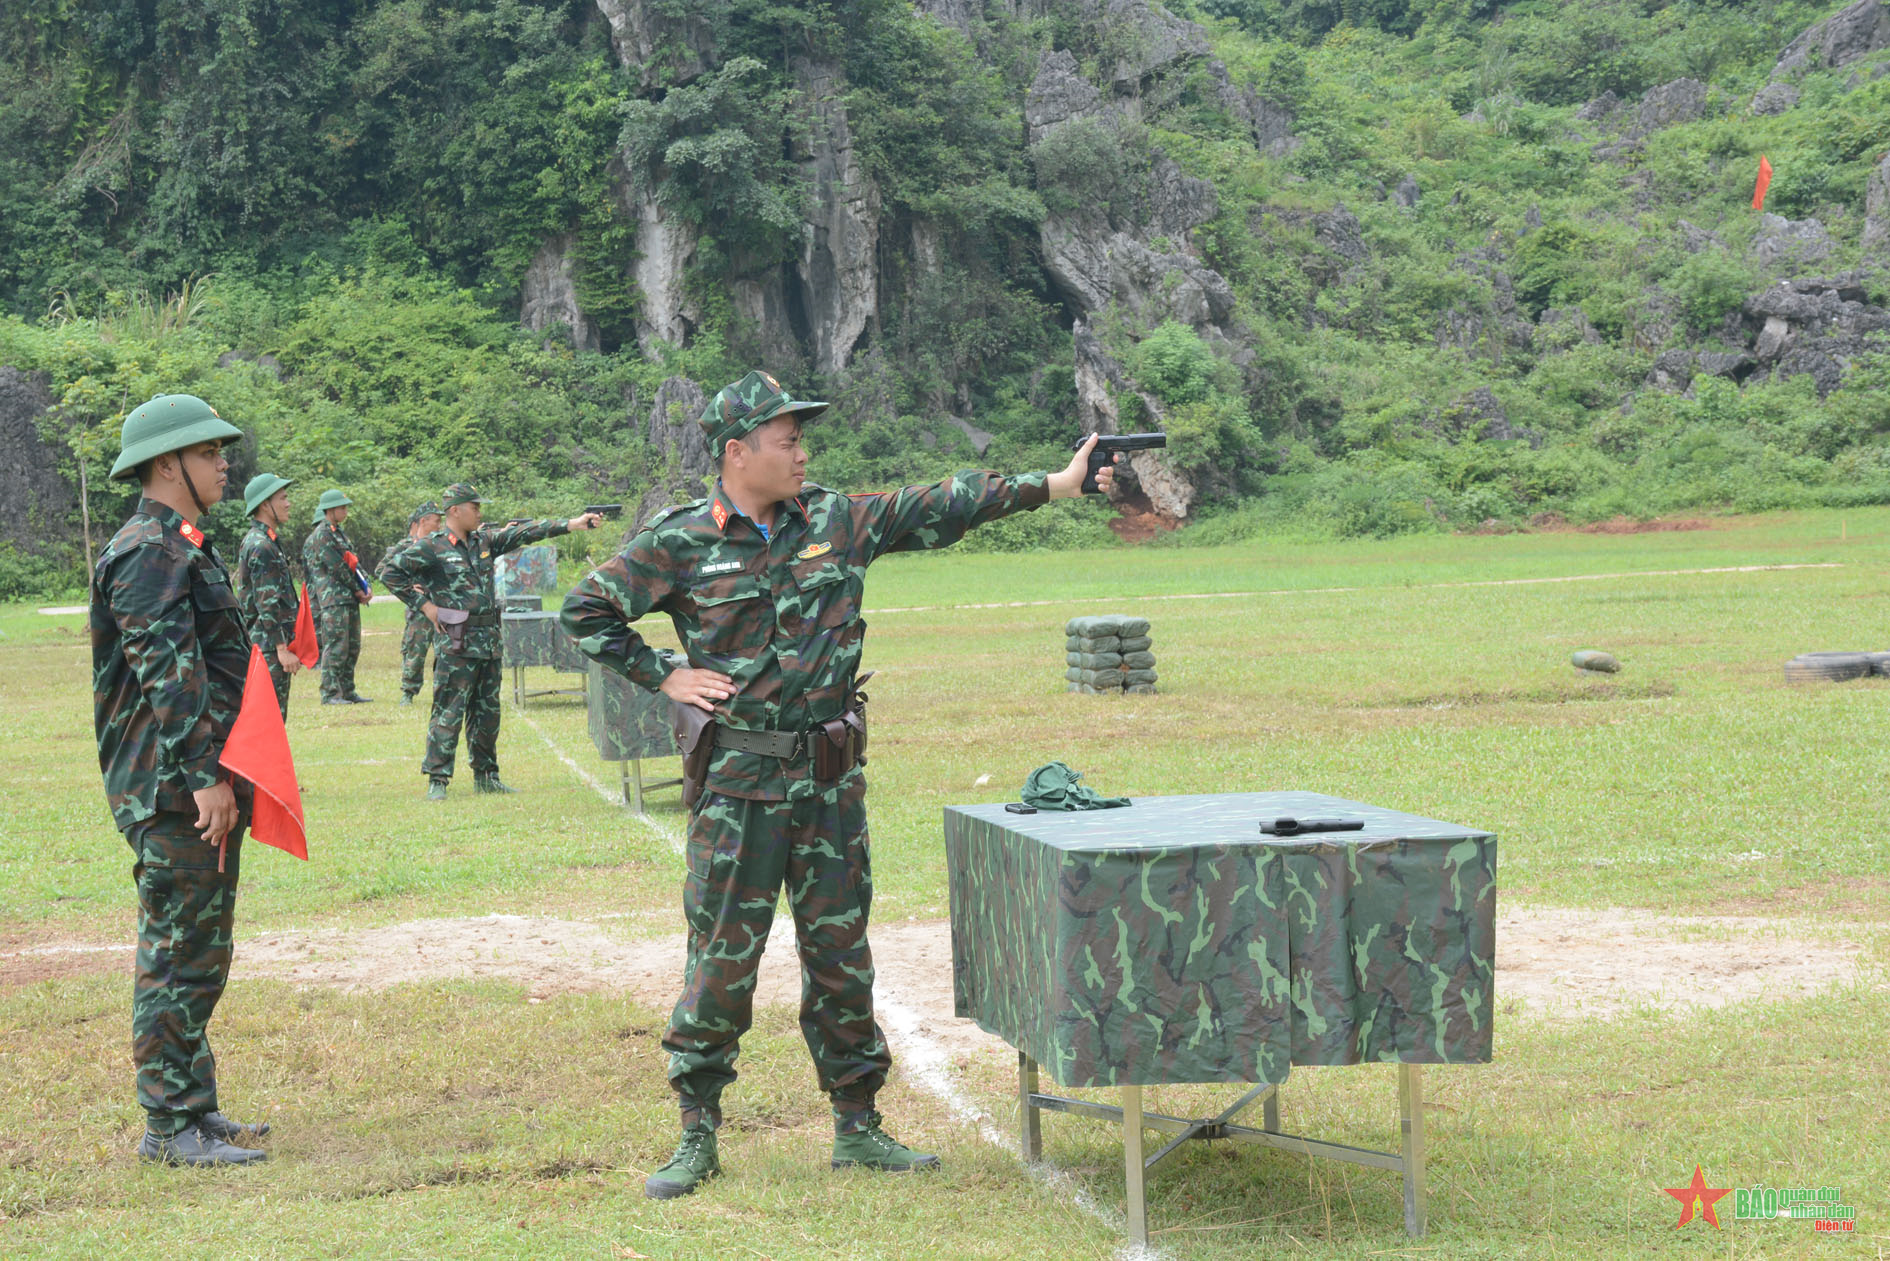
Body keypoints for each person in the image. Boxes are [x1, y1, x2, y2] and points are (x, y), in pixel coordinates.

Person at [559, 369, 1117, 1200]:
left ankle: (858, 1124)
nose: (801, 451)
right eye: (786, 439)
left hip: (828, 788)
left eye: (800, 438)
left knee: (841, 959)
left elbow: (940, 502)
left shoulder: (834, 517)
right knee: (720, 960)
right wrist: (664, 673)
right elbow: (587, 609)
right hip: (740, 791)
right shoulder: (678, 541)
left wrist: (1056, 485)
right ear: (737, 451)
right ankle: (697, 1129)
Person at [91, 393, 271, 1166]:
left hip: (196, 779)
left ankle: (194, 1105)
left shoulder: (183, 542)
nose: (224, 462)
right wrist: (205, 777)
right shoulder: (148, 550)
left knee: (202, 948)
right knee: (176, 951)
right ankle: (168, 1126)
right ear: (168, 465)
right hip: (172, 788)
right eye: (208, 452)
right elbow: (170, 674)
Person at [383, 484, 601, 799]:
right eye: (475, 506)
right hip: (456, 643)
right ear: (455, 510)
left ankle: (486, 776)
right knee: (449, 709)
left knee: (487, 712)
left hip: (488, 642)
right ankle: (438, 779)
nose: (480, 512)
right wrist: (427, 607)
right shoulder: (432, 546)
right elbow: (391, 572)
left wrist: (572, 524)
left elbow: (527, 533)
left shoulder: (484, 540)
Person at [235, 472, 303, 716]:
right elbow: (268, 603)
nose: (288, 503)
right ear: (265, 504)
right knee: (269, 721)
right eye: (282, 498)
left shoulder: (264, 540)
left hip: (266, 646)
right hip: (267, 648)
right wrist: (281, 648)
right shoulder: (261, 545)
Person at [302, 488, 372, 705]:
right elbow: (337, 567)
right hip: (333, 599)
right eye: (342, 507)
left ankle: (347, 690)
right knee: (336, 645)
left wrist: (366, 585)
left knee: (352, 646)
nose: (345, 511)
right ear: (330, 510)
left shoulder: (338, 533)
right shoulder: (321, 535)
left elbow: (352, 562)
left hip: (348, 597)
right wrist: (357, 588)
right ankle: (330, 693)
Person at [376, 501, 442, 707]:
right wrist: (409, 586)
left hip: (442, 605)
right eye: (436, 521)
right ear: (423, 521)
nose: (440, 525)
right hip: (419, 609)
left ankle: (443, 691)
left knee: (445, 652)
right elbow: (382, 571)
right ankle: (408, 692)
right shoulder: (405, 546)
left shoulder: (441, 544)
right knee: (415, 650)